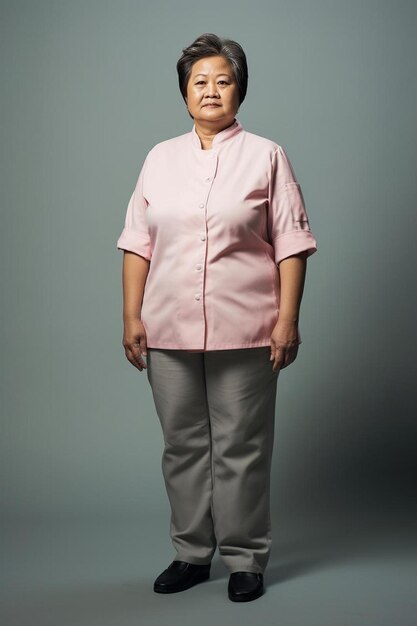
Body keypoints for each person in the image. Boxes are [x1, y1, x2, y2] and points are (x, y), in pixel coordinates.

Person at [116, 33, 318, 603]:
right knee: (182, 446)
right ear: (184, 95)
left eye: (223, 80)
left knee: (242, 446)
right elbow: (137, 243)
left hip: (247, 327)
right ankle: (190, 552)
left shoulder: (267, 155)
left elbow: (292, 243)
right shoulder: (159, 157)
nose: (211, 90)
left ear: (239, 91)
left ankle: (246, 557)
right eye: (199, 81)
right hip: (168, 327)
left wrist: (287, 320)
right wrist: (131, 316)